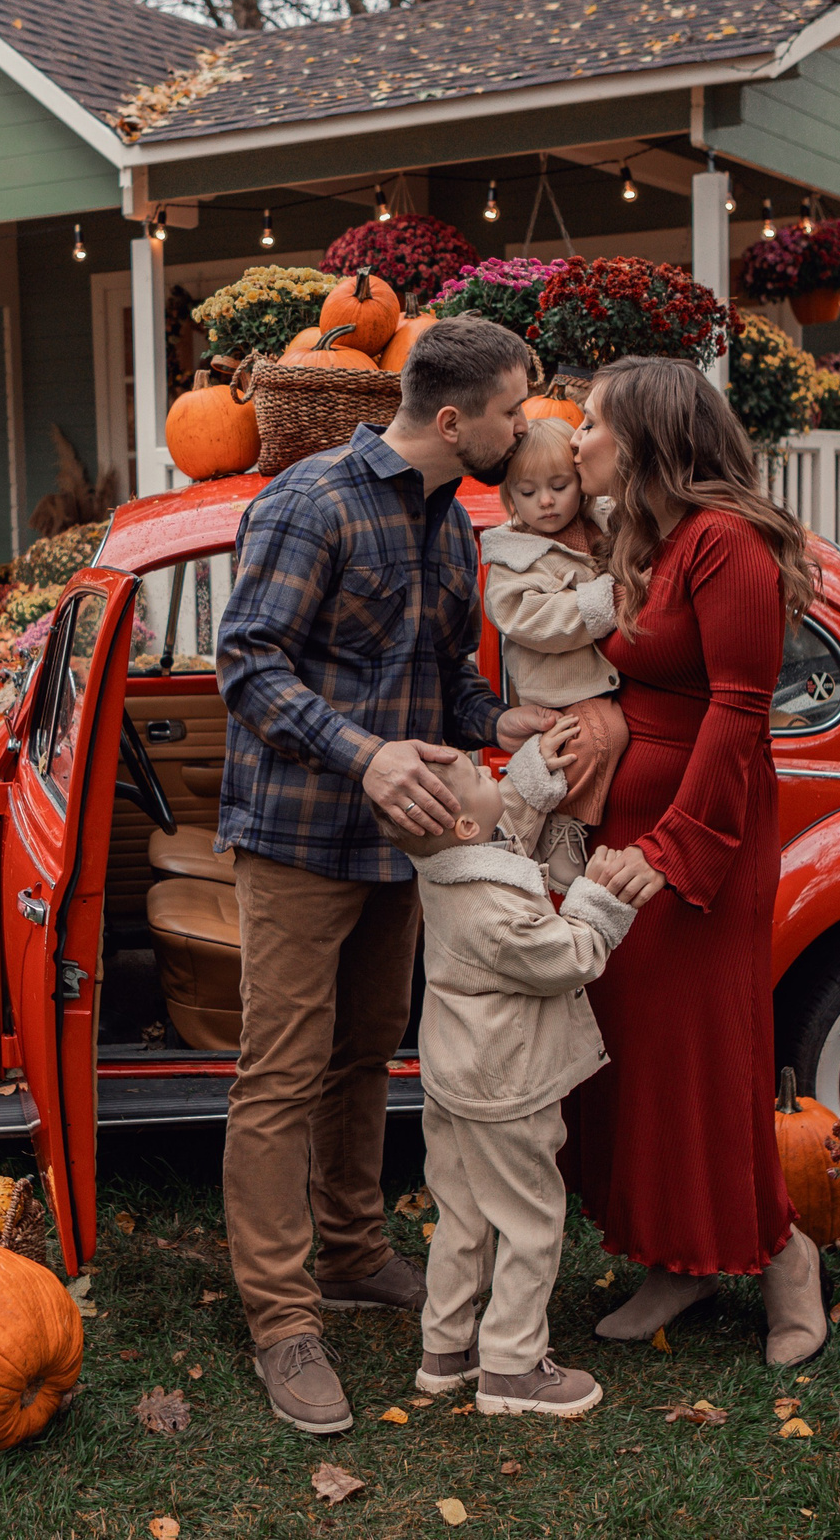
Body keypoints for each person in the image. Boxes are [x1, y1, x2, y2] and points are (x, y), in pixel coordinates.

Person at [215, 314, 558, 1435]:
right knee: (281, 1070)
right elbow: (246, 664)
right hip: (301, 833)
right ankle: (280, 1315)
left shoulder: (449, 525)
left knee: (365, 1053)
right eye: (516, 407)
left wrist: (508, 719)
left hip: (407, 848)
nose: (528, 424)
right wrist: (364, 757)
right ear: (454, 418)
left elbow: (445, 676)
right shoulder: (309, 502)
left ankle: (356, 1251)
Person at [564, 354, 831, 1367]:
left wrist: (671, 849)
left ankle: (781, 1255)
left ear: (645, 439)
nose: (576, 437)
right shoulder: (656, 540)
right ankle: (674, 1257)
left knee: (705, 1065)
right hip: (628, 839)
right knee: (638, 1061)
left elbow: (737, 708)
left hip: (696, 846)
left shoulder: (728, 544)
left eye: (590, 421)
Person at [385, 730, 631, 1418]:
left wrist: (527, 783)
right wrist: (599, 903)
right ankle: (514, 1365)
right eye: (483, 771)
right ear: (464, 821)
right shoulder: (494, 913)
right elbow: (566, 954)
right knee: (529, 1221)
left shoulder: (447, 862)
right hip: (504, 1086)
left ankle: (448, 1348)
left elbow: (499, 833)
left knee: (462, 1214)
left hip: (453, 1075)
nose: (496, 774)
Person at [480, 417, 631, 891]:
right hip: (557, 691)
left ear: (582, 486)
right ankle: (563, 829)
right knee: (597, 737)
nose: (545, 501)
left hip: (597, 680)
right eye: (527, 492)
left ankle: (562, 825)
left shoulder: (603, 527)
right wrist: (606, 598)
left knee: (607, 732)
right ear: (509, 498)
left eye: (559, 486)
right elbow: (530, 619)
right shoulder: (512, 558)